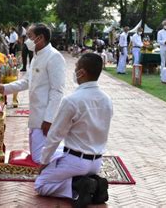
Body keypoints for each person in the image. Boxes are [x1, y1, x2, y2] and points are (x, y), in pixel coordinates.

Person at [35, 53, 113, 207]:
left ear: (82, 73)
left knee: (41, 184)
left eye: (76, 67)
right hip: (96, 162)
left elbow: (55, 135)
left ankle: (76, 187)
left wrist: (43, 162)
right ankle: (95, 185)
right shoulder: (107, 100)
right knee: (57, 155)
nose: (74, 71)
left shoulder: (72, 100)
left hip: (76, 162)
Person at [0, 23, 66, 163]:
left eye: (29, 36)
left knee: (39, 158)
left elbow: (57, 91)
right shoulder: (37, 55)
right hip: (35, 116)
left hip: (46, 117)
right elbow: (27, 82)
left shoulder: (54, 57)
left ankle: (73, 155)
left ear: (40, 38)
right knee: (37, 156)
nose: (26, 40)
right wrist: (4, 88)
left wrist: (49, 119)